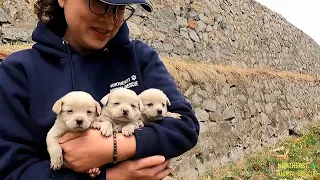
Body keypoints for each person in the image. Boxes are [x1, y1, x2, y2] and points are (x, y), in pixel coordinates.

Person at [0, 0, 200, 179]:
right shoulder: (19, 72)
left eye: (119, 8)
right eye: (97, 3)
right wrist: (111, 177)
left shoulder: (140, 58)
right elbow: (11, 170)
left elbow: (185, 126)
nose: (110, 20)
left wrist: (116, 147)